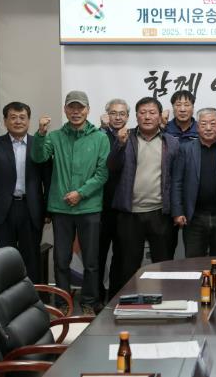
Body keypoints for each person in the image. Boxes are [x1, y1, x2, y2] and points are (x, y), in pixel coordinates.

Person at [31, 91, 109, 315]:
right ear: (65, 110)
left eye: (80, 108)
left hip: (89, 207)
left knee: (91, 261)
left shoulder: (100, 138)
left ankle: (89, 303)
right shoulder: (54, 136)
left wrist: (81, 193)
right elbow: (38, 157)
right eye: (71, 107)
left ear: (88, 110)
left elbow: (102, 173)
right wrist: (41, 134)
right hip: (61, 208)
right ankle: (63, 303)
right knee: (61, 260)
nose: (76, 112)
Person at [107, 97, 179, 291]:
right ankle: (128, 303)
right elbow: (112, 167)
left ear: (160, 116)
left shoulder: (171, 142)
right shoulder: (125, 137)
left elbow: (177, 179)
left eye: (152, 112)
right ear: (136, 116)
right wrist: (119, 144)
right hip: (130, 214)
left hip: (160, 213)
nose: (147, 117)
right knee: (128, 266)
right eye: (143, 112)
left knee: (163, 264)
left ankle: (165, 302)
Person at [0, 101, 51, 284]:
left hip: (31, 208)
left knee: (31, 257)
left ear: (29, 120)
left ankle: (32, 296)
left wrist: (48, 211)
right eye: (13, 117)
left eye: (22, 117)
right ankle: (6, 298)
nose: (18, 121)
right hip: (3, 209)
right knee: (4, 258)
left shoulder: (39, 144)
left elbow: (48, 180)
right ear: (5, 121)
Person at [172, 108, 216, 257]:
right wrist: (178, 212)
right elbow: (177, 182)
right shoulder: (186, 149)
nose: (208, 128)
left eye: (213, 123)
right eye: (204, 124)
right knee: (193, 263)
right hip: (194, 217)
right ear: (197, 127)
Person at [97, 98, 129, 302]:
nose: (117, 117)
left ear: (128, 117)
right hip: (100, 206)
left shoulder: (132, 137)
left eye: (122, 114)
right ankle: (97, 296)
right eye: (113, 113)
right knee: (98, 254)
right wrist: (103, 129)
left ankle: (116, 296)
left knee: (122, 255)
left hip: (124, 207)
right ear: (106, 115)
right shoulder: (98, 135)